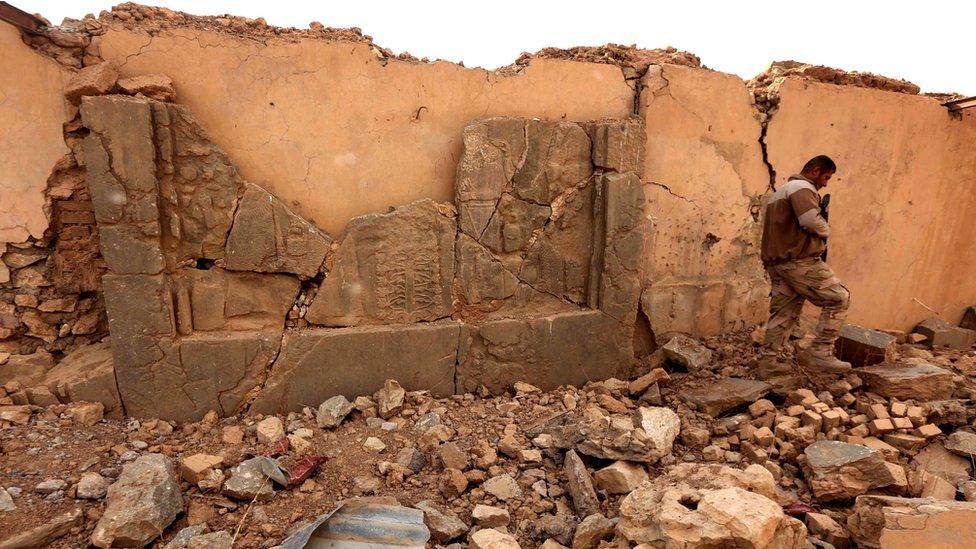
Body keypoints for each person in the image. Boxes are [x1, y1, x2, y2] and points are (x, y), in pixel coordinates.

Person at [760, 155, 851, 373]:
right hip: (799, 262)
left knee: (784, 312)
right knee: (839, 298)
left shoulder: (782, 190)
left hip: (779, 263)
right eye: (826, 177)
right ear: (815, 170)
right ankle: (820, 353)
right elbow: (810, 220)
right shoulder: (802, 187)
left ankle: (768, 363)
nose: (825, 183)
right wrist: (826, 229)